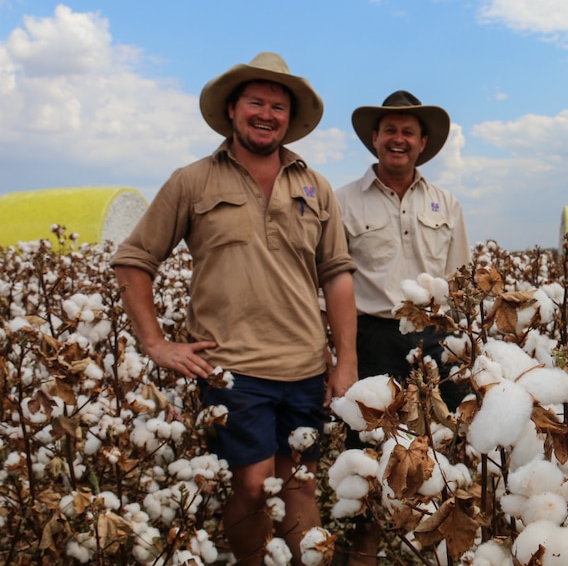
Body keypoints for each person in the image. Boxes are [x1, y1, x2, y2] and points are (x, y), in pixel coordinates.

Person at [111, 52, 357, 566]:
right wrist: (155, 343)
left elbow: (336, 273)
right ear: (232, 110)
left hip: (306, 368)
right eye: (256, 102)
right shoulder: (193, 181)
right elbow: (135, 260)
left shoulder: (315, 186)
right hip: (233, 372)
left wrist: (346, 361)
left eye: (279, 106)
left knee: (302, 485)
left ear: (290, 119)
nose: (267, 114)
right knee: (250, 486)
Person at [334, 90, 470, 565]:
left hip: (436, 340)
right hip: (372, 339)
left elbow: (459, 280)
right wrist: (340, 353)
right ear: (374, 138)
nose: (398, 139)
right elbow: (331, 281)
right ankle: (363, 553)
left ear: (422, 142)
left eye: (407, 131)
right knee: (368, 452)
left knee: (445, 446)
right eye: (389, 130)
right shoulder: (343, 202)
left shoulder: (445, 203)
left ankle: (440, 546)